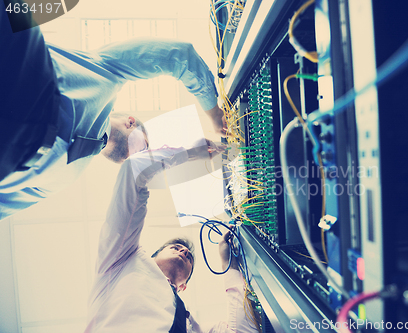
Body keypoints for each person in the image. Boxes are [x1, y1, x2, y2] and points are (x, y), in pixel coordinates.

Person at [0, 0, 226, 220]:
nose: (143, 156)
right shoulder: (103, 74)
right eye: (145, 146)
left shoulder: (62, 180)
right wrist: (213, 112)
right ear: (130, 122)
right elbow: (176, 55)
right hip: (17, 60)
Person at [84, 140, 258, 333]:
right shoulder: (120, 261)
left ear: (183, 287)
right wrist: (193, 150)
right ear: (152, 257)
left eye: (189, 257)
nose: (184, 250)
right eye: (175, 247)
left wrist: (229, 265)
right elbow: (133, 170)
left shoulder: (189, 324)